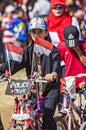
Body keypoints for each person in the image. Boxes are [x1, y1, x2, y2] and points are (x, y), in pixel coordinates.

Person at [0, 17, 61, 130]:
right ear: (30, 33)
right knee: (27, 114)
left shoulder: (52, 49)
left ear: (46, 32)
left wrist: (53, 74)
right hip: (34, 91)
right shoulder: (27, 51)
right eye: (34, 32)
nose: (36, 35)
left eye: (40, 32)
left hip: (50, 90)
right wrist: (3, 71)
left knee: (47, 116)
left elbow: (57, 64)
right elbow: (16, 63)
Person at [46, 0, 82, 77]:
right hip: (55, 61)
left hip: (71, 60)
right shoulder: (48, 23)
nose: (57, 10)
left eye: (60, 7)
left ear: (64, 7)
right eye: (54, 7)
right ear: (51, 8)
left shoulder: (72, 20)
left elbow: (79, 40)